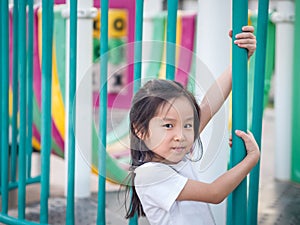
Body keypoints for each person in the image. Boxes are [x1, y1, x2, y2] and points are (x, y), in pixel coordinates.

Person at [124, 26, 258, 225]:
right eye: (168, 126)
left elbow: (210, 104)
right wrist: (252, 159)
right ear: (140, 130)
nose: (181, 135)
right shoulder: (149, 173)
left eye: (187, 125)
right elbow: (214, 193)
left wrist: (240, 60)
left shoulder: (176, 150)